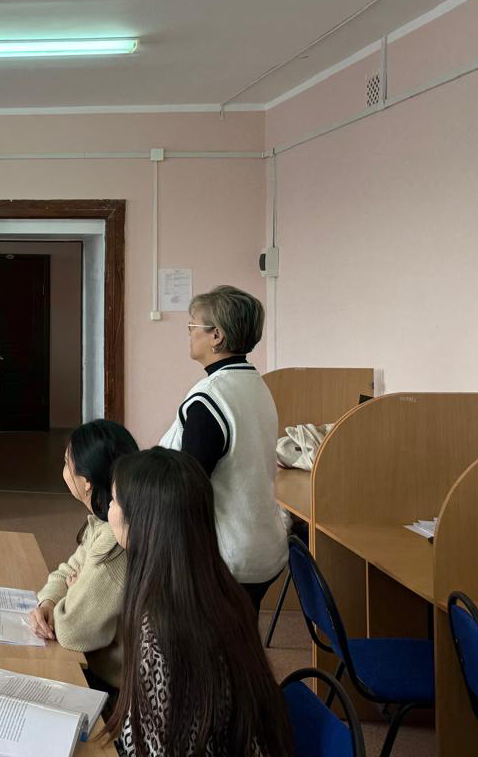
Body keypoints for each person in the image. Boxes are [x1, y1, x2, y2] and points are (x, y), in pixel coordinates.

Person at [105, 449, 293, 757]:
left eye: (114, 501)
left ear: (142, 522)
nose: (109, 509)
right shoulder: (216, 587)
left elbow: (157, 748)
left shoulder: (162, 626)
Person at [159, 285, 286, 610]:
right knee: (240, 634)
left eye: (192, 326)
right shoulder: (255, 384)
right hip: (261, 545)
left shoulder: (211, 397)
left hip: (227, 556)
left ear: (216, 336)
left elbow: (188, 484)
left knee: (215, 638)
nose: (189, 334)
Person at [28, 419, 137, 692]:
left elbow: (71, 631)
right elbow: (67, 570)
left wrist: (73, 593)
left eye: (67, 463)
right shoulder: (103, 521)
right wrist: (49, 601)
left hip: (113, 686)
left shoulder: (114, 541)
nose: (63, 470)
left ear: (86, 482)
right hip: (96, 663)